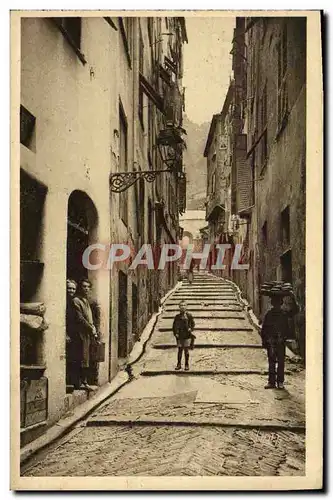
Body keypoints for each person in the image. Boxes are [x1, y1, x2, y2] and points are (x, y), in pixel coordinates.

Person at [261, 291, 299, 390]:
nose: (277, 305)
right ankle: (273, 382)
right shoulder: (270, 314)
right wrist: (266, 341)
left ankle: (279, 382)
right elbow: (264, 329)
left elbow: (295, 311)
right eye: (276, 303)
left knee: (279, 362)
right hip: (272, 342)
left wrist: (293, 298)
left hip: (281, 341)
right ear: (273, 304)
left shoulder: (283, 314)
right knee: (273, 362)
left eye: (278, 303)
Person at [73, 278, 98, 391]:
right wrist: (90, 327)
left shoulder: (86, 301)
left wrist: (93, 328)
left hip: (88, 333)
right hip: (81, 333)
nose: (86, 289)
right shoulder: (76, 301)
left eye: (88, 287)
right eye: (84, 286)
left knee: (88, 358)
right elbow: (80, 318)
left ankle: (85, 381)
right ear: (80, 287)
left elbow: (89, 317)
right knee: (82, 358)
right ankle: (81, 382)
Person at [66, 279, 82, 389]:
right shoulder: (65, 301)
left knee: (76, 358)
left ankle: (75, 382)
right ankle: (70, 382)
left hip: (75, 333)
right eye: (69, 288)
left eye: (73, 289)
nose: (71, 290)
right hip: (69, 333)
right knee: (70, 358)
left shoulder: (73, 301)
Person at [172, 300, 195, 371]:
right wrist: (175, 333)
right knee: (180, 350)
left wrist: (191, 329)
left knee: (186, 351)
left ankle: (186, 364)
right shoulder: (177, 317)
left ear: (186, 307)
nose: (183, 307)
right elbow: (174, 326)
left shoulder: (189, 316)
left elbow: (193, 324)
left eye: (184, 305)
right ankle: (178, 364)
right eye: (181, 305)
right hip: (180, 336)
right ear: (179, 307)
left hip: (187, 335)